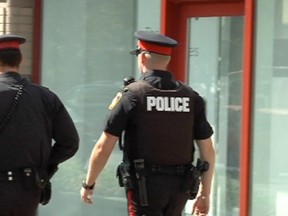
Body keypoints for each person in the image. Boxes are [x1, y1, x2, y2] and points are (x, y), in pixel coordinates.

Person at [80, 31, 215, 216]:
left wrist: (89, 183)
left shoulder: (133, 95)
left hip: (144, 187)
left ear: (142, 58)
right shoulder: (191, 97)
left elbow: (104, 146)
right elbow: (207, 149)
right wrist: (205, 194)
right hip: (180, 188)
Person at [0, 34, 79, 216]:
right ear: (20, 61)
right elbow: (69, 143)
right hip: (28, 190)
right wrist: (43, 168)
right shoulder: (45, 97)